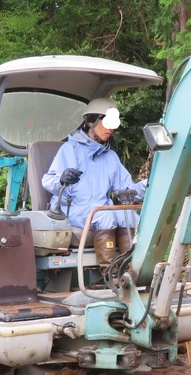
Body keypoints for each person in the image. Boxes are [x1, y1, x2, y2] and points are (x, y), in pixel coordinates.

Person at [42, 97, 145, 275]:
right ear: (91, 121)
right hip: (74, 210)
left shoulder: (110, 157)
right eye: (106, 123)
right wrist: (62, 178)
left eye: (113, 124)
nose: (111, 129)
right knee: (105, 215)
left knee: (129, 215)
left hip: (98, 210)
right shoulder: (69, 150)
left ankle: (131, 272)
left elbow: (127, 192)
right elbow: (48, 181)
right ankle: (109, 274)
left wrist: (149, 185)